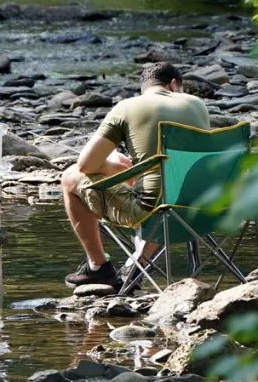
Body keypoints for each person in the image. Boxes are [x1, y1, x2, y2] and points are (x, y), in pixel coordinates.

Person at [60, 62, 210, 288]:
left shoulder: (127, 107)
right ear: (173, 85)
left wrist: (110, 166)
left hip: (158, 212)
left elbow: (85, 166)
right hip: (204, 206)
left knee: (69, 177)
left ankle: (98, 267)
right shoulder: (197, 105)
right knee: (163, 186)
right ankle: (138, 263)